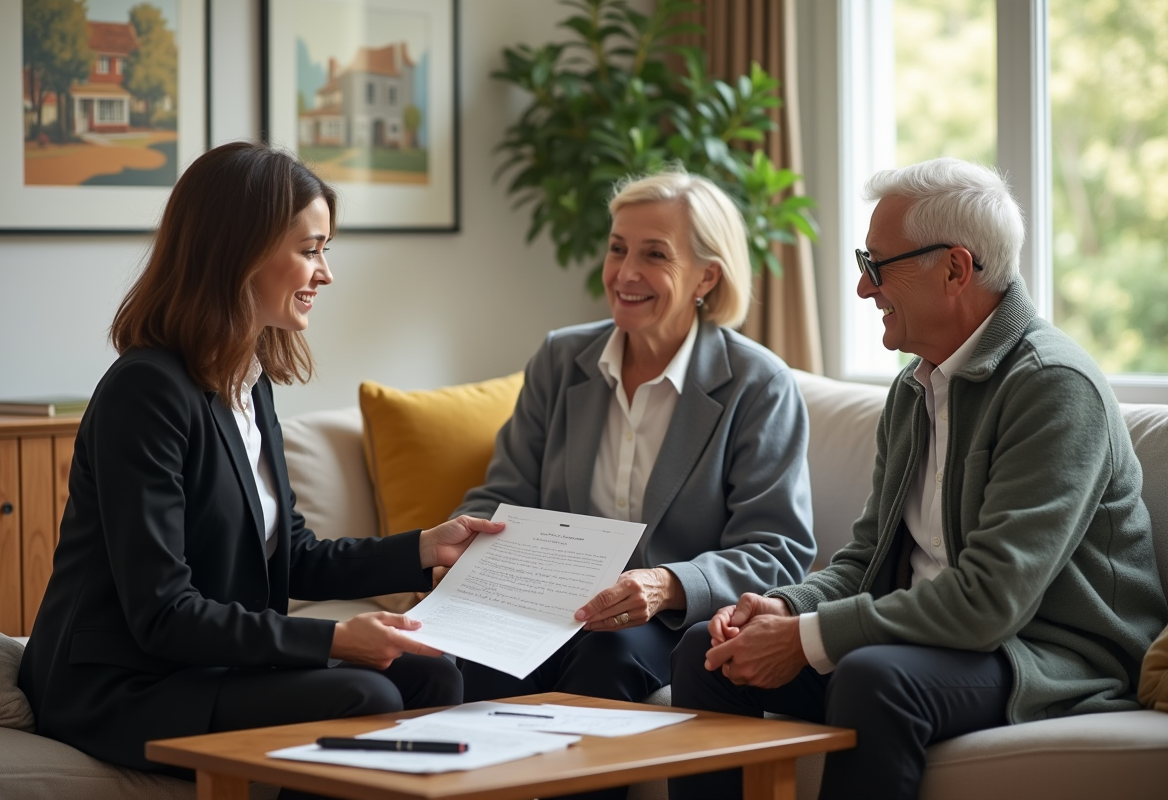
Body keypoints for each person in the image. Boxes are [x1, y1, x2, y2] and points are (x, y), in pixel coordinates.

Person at [667, 157, 1168, 800]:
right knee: (705, 656)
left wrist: (808, 638)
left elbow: (991, 602)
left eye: (876, 266)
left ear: (956, 268)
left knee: (875, 679)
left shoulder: (1051, 386)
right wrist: (787, 608)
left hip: (1049, 656)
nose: (863, 290)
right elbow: (867, 559)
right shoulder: (916, 387)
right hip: (935, 642)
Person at [17, 142, 504, 785]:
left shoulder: (249, 382)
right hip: (120, 685)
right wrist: (334, 640)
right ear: (239, 253)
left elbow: (290, 554)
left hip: (208, 667)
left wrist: (423, 547)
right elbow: (162, 612)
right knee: (369, 695)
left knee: (436, 672)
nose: (325, 273)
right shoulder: (147, 391)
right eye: (311, 250)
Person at [455, 170, 816, 721]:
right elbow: (503, 494)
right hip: (550, 606)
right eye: (618, 249)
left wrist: (669, 584)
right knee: (459, 658)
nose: (625, 273)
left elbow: (777, 549)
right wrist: (459, 553)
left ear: (706, 278)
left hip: (665, 625)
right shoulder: (560, 358)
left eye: (654, 255)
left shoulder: (759, 384)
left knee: (609, 654)